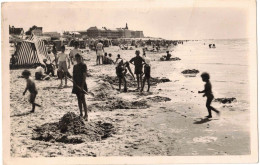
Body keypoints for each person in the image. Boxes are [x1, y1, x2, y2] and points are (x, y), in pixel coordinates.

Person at [72, 54, 88, 121]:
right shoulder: (75, 66)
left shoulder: (83, 65)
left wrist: (82, 86)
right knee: (78, 99)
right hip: (76, 84)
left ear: (81, 58)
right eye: (76, 58)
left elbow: (84, 76)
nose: (78, 59)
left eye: (79, 58)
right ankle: (81, 113)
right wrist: (74, 83)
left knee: (83, 99)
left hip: (82, 84)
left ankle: (86, 114)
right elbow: (73, 76)